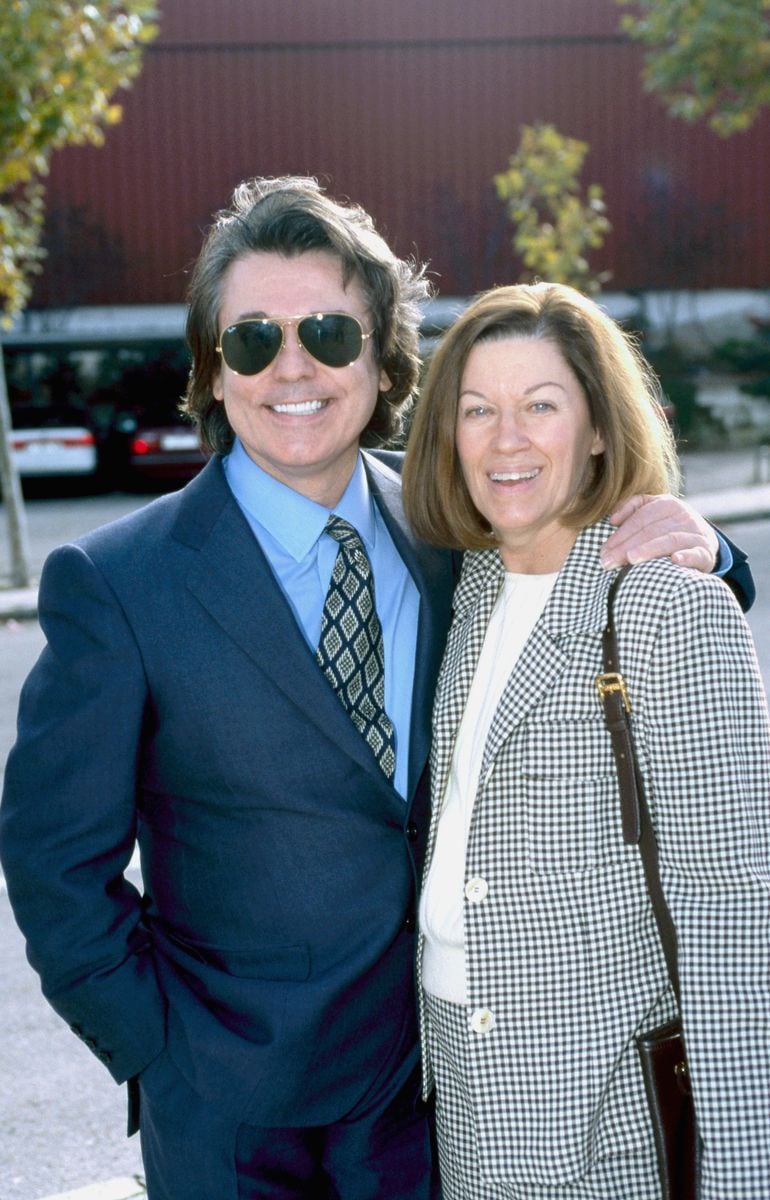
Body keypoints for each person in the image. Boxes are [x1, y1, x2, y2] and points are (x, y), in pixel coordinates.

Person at [0, 180, 754, 1200]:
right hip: (233, 1123)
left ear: (383, 357)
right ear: (213, 374)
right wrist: (160, 1056)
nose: (293, 366)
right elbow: (54, 864)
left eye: (326, 331)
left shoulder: (453, 530)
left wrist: (713, 556)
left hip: (431, 1098)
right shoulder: (119, 582)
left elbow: (595, 578)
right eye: (253, 340)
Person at [401, 281, 770, 1200]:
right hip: (461, 1098)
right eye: (478, 410)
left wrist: (739, 1177)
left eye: (541, 406)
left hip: (604, 1125)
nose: (506, 437)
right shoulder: (469, 590)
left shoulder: (666, 607)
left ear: (600, 428)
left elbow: (736, 925)